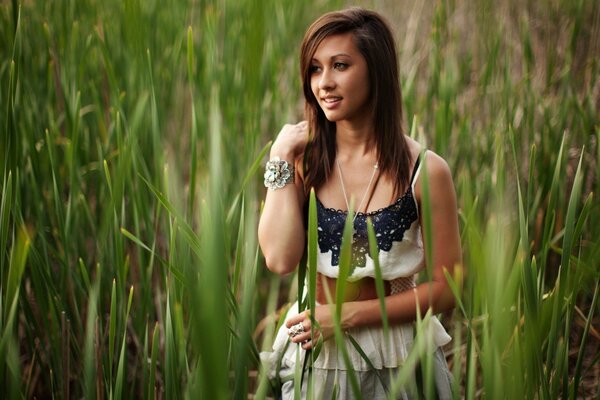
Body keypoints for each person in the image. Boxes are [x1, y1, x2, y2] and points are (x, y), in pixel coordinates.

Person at [258, 7, 462, 399]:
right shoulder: (305, 162)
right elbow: (280, 260)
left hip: (395, 356)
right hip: (315, 353)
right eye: (315, 69)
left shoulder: (425, 171)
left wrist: (346, 316)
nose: (324, 84)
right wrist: (280, 157)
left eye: (340, 65)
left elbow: (447, 287)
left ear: (376, 71)